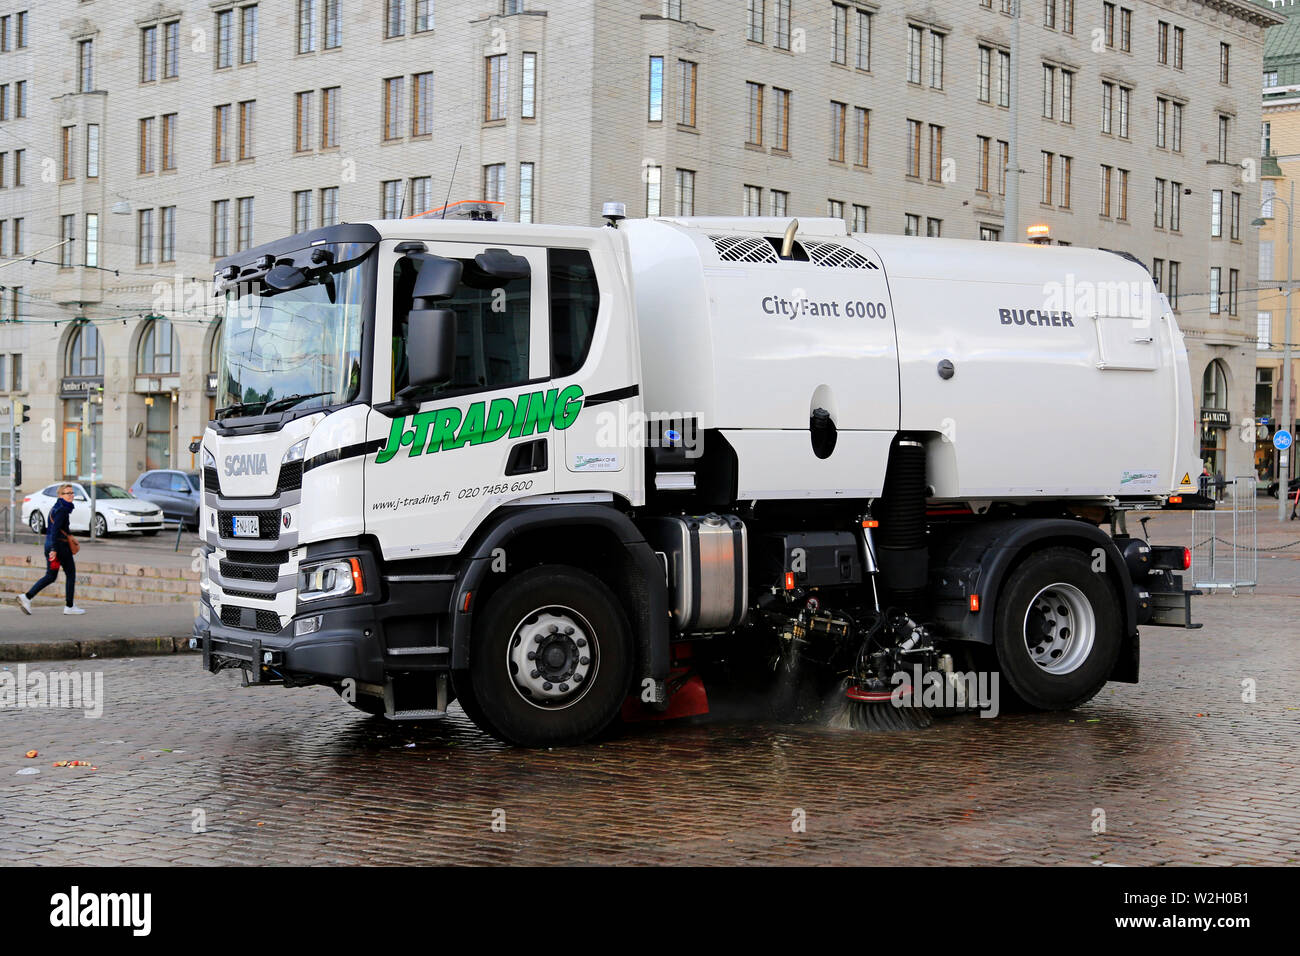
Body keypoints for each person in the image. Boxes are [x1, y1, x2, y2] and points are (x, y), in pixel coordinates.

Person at [16, 484, 85, 615]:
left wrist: (67, 537)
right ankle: (69, 606)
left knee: (51, 576)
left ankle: (27, 597)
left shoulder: (57, 507)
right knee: (70, 574)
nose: (71, 495)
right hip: (59, 547)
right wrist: (54, 549)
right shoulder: (62, 510)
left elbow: (57, 528)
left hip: (51, 545)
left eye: (72, 492)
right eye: (67, 493)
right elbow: (54, 529)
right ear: (60, 495)